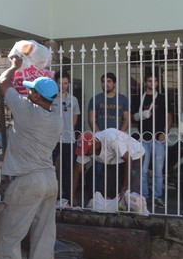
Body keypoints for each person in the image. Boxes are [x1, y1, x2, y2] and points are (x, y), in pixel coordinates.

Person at [0, 55, 63, 259]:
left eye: (32, 91)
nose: (29, 93)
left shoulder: (24, 110)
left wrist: (14, 65)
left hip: (28, 181)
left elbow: (2, 82)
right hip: (50, 181)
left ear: (35, 97)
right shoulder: (56, 118)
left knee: (7, 239)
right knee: (44, 239)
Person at [132, 74, 173, 208]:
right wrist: (140, 115)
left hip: (158, 138)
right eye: (150, 81)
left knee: (158, 170)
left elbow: (169, 116)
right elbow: (133, 117)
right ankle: (144, 196)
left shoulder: (162, 98)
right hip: (144, 137)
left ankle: (157, 196)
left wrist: (165, 132)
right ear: (145, 82)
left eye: (155, 81)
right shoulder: (139, 97)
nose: (152, 83)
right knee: (143, 170)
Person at [73, 130, 144, 205]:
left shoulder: (111, 139)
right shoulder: (86, 148)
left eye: (87, 151)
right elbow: (76, 172)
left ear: (95, 144)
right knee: (106, 192)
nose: (84, 153)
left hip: (134, 155)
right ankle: (113, 212)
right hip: (114, 160)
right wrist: (73, 196)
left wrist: (125, 185)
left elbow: (128, 159)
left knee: (130, 193)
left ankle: (132, 213)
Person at [87, 73, 130, 197]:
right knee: (98, 171)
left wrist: (119, 136)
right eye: (103, 81)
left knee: (117, 171)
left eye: (109, 81)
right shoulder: (95, 99)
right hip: (100, 142)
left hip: (117, 142)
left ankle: (114, 198)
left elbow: (126, 119)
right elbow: (91, 119)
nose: (106, 84)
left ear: (114, 84)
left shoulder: (123, 99)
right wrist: (99, 137)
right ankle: (94, 198)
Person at [51, 71, 80, 204]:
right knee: (50, 167)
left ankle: (68, 197)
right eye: (60, 83)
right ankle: (51, 196)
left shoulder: (73, 100)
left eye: (65, 83)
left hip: (69, 139)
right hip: (53, 139)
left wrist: (67, 129)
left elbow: (75, 119)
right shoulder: (50, 98)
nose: (63, 86)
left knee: (68, 169)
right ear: (55, 83)